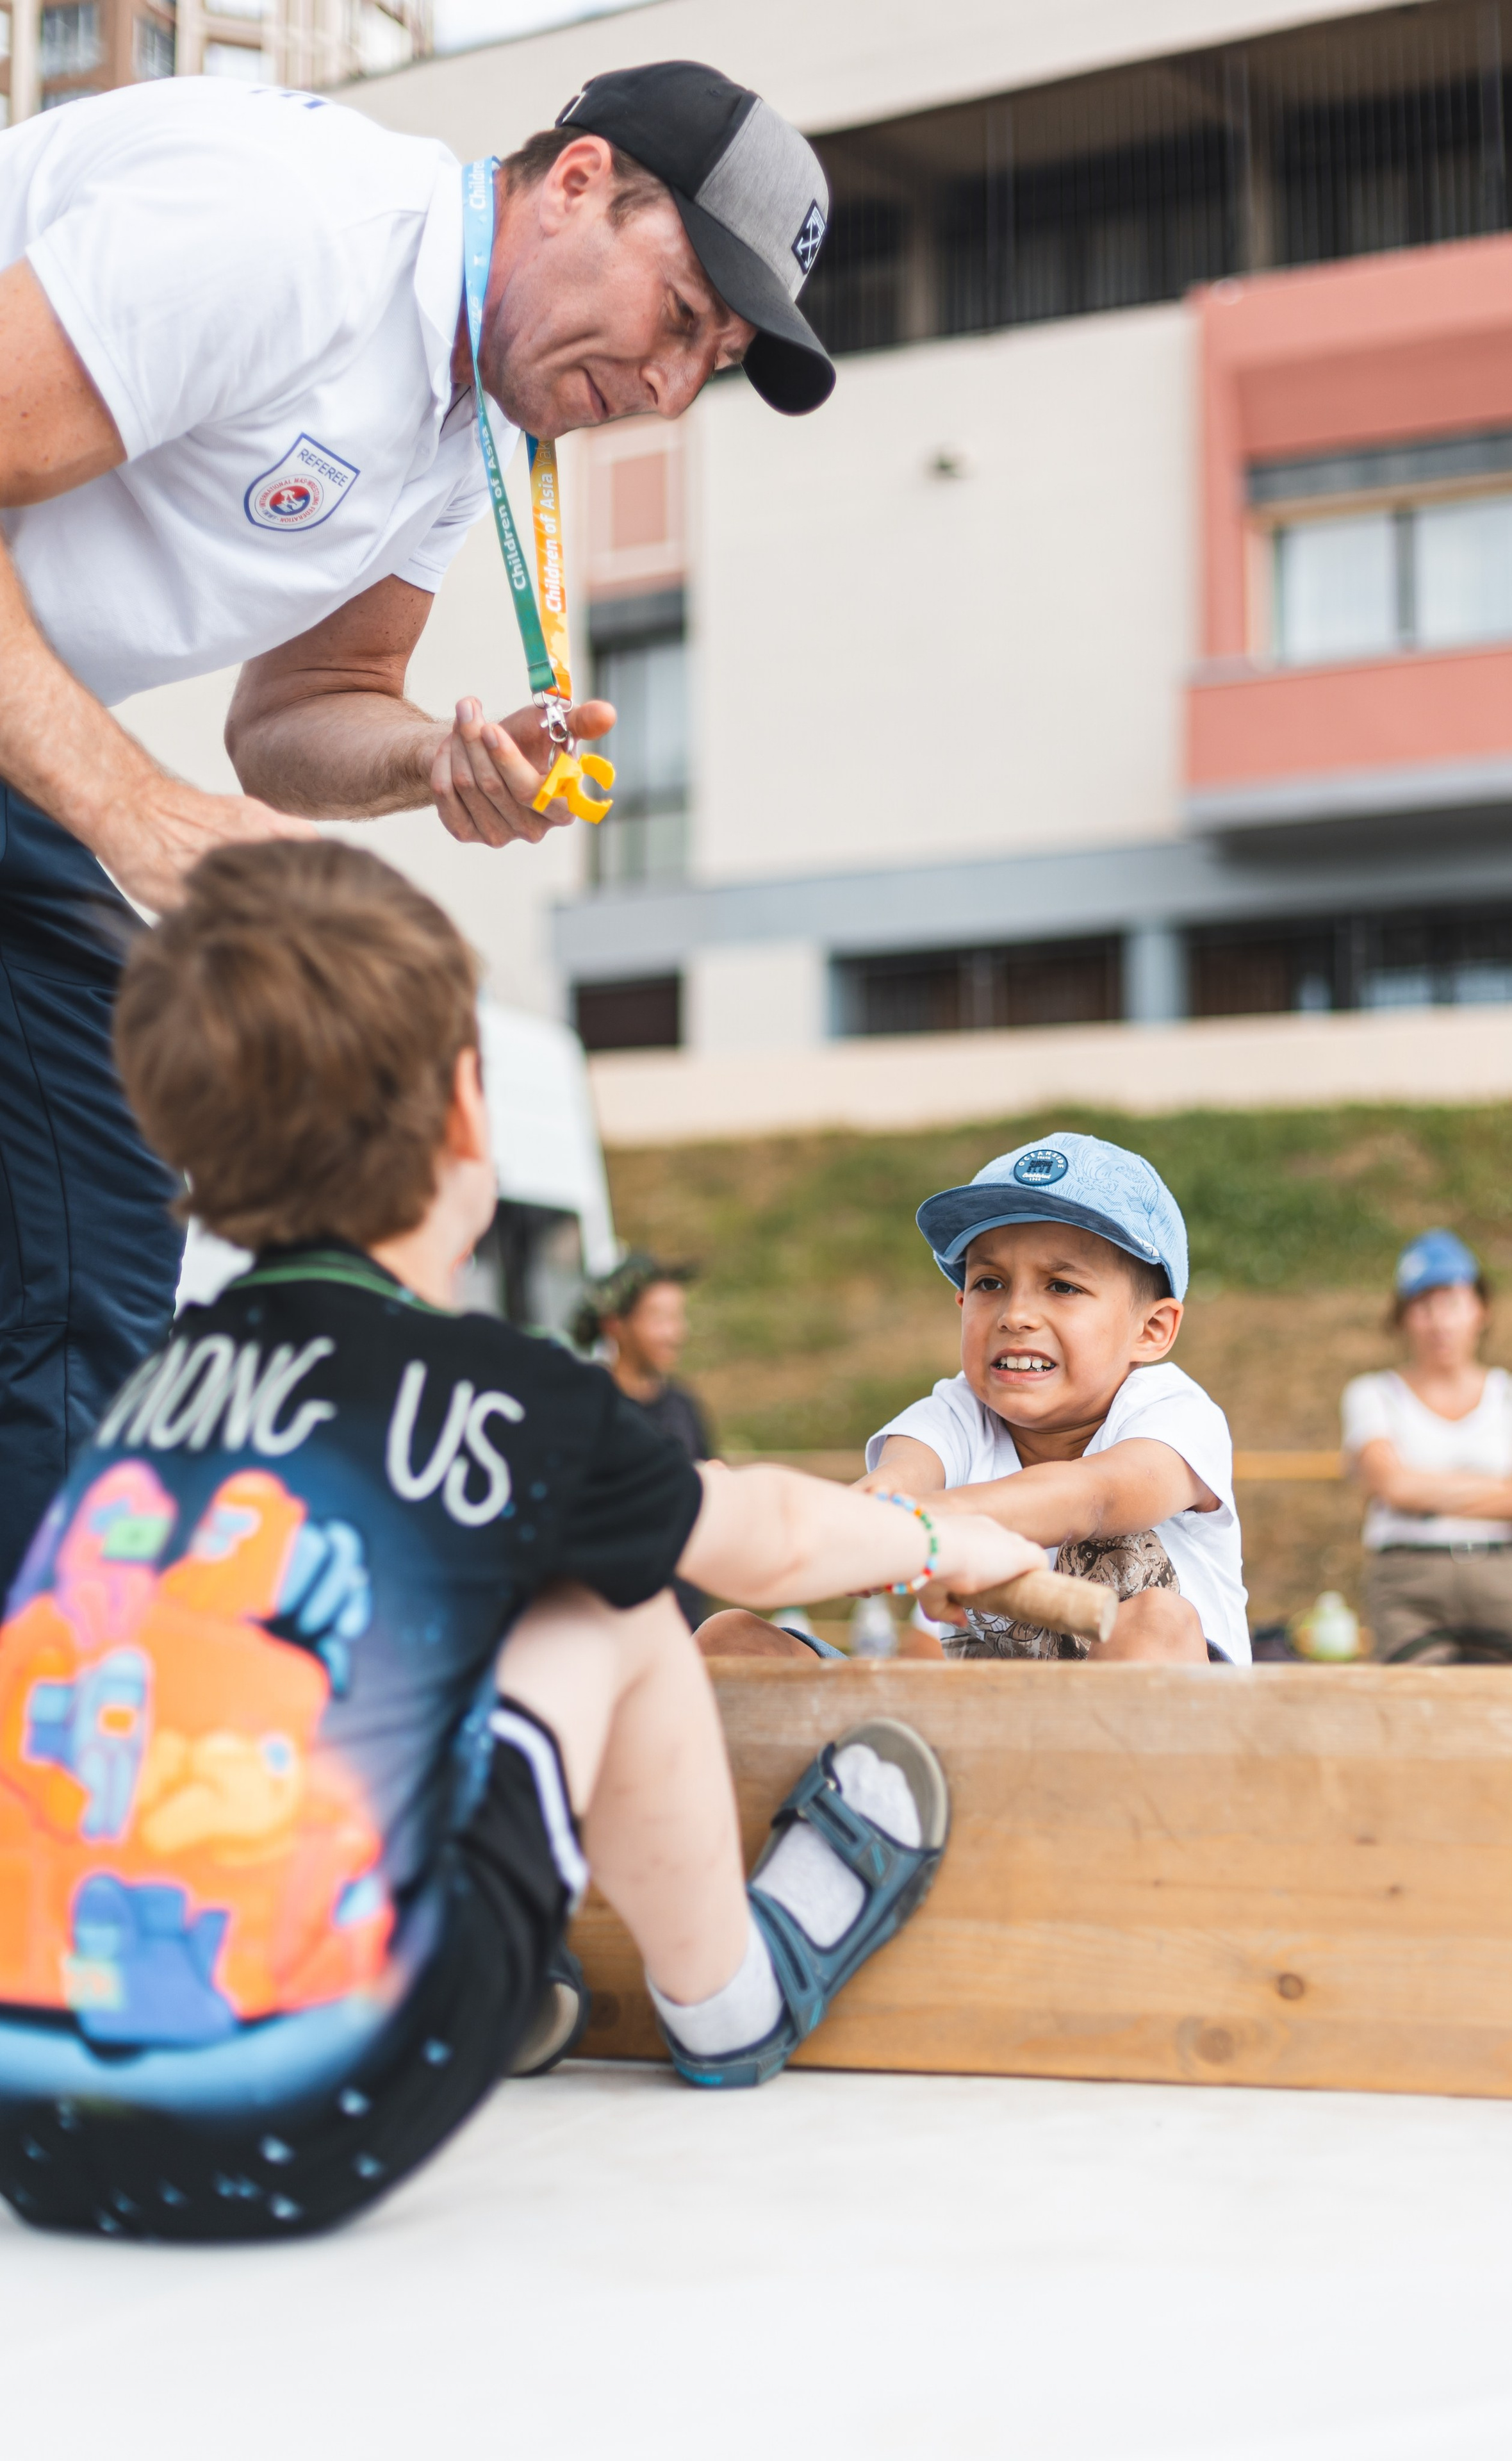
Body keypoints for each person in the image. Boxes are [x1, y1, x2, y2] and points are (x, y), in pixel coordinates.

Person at [0, 840, 1039, 2243]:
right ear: (463, 1111)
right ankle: (732, 1994)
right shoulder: (501, 1403)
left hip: (34, 2130)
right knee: (611, 1601)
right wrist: (938, 1537)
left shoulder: (142, 1404)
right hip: (309, 2110)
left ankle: (524, 1956)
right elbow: (769, 1538)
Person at [0, 58, 838, 1596]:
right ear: (576, 182)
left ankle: (56, 1672)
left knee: (95, 1191)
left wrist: (439, 761)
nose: (665, 391)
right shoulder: (297, 233)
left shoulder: (472, 425)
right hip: (34, 757)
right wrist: (128, 801)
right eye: (675, 317)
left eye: (708, 362)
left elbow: (298, 709)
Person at [703, 1134, 1250, 1665]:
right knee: (731, 1638)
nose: (1016, 1315)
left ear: (1152, 1330)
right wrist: (827, 1521)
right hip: (980, 1719)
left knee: (1158, 1620)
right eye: (990, 1283)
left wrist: (913, 1529)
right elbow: (897, 1483)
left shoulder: (1175, 1417)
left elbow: (1091, 1497)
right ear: (962, 1302)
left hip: (1167, 1717)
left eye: (1062, 1286)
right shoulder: (955, 1413)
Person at [1341, 1229, 1512, 1663]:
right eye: (1424, 1306)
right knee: (1409, 1704)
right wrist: (1503, 1490)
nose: (1440, 1323)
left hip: (1506, 1579)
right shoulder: (1370, 1393)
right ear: (1402, 1317)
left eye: (1453, 1304)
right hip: (1407, 1585)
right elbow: (1393, 1488)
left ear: (1482, 1309)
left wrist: (1424, 1497)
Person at [573, 1255, 715, 1627]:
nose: (675, 1333)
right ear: (615, 1325)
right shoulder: (583, 1402)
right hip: (602, 1620)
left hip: (683, 1621)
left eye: (678, 1317)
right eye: (659, 1319)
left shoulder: (685, 1408)